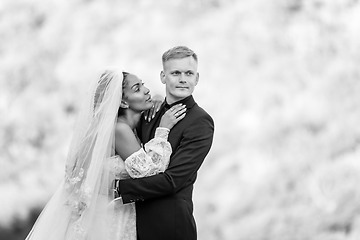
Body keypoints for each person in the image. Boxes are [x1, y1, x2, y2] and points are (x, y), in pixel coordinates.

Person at [25, 67, 186, 240]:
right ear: (123, 102)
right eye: (137, 88)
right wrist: (163, 129)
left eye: (143, 85)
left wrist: (158, 99)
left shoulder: (121, 127)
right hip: (107, 218)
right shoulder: (119, 130)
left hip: (115, 213)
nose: (146, 90)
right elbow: (150, 171)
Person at [118, 46, 215, 240]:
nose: (182, 79)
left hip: (171, 226)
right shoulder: (147, 113)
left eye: (189, 73)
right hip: (132, 226)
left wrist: (119, 188)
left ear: (197, 78)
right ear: (163, 77)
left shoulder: (200, 121)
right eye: (175, 73)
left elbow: (173, 181)